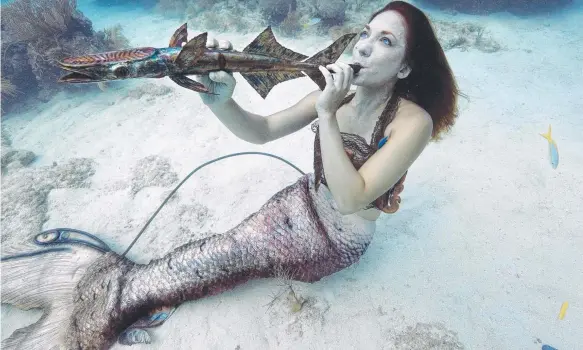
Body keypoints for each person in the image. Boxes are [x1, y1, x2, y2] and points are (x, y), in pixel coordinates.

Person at [0, 2, 459, 349]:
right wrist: (219, 98)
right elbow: (262, 130)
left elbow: (350, 197)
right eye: (366, 31)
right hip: (300, 200)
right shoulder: (339, 94)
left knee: (229, 256)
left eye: (386, 41)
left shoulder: (410, 122)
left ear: (405, 67)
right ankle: (117, 292)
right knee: (219, 251)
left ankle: (110, 298)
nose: (363, 45)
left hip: (336, 240)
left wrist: (326, 111)